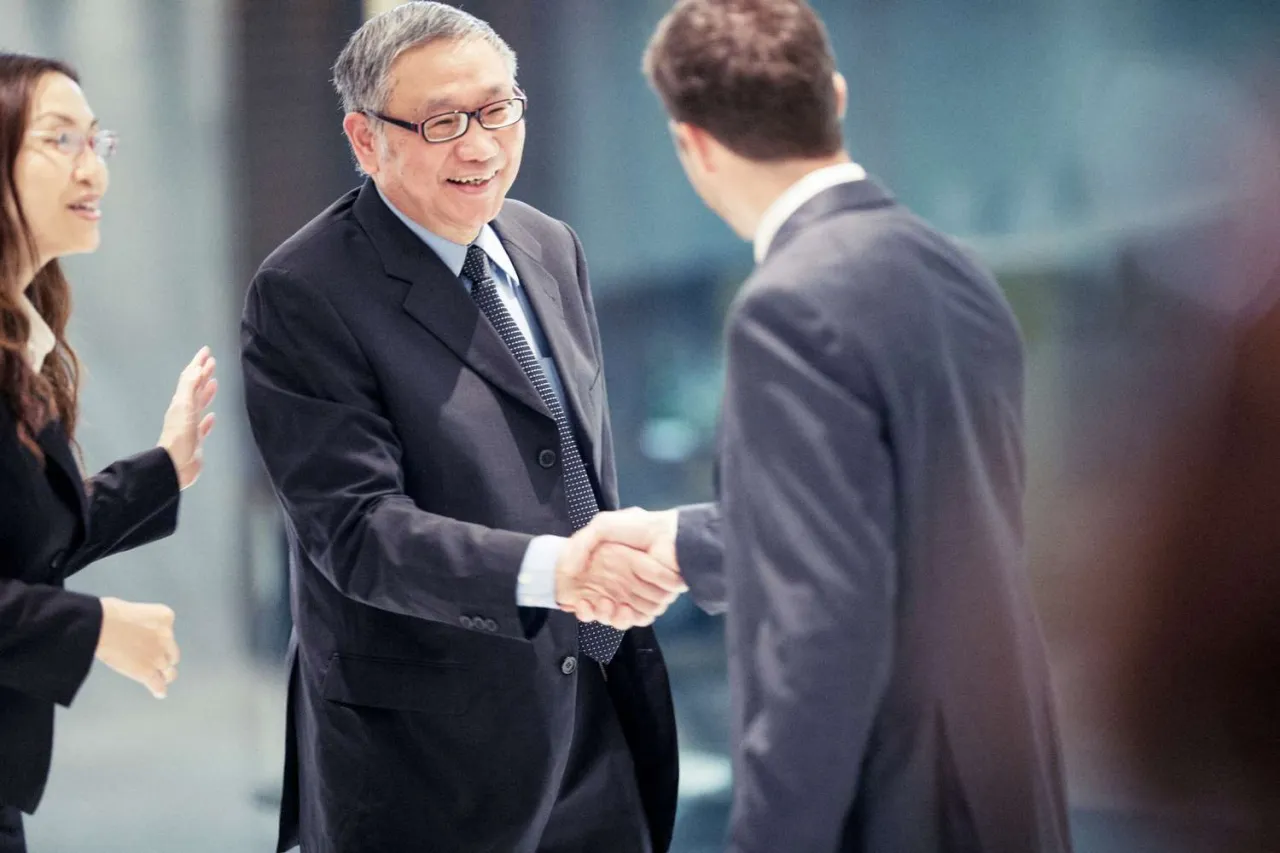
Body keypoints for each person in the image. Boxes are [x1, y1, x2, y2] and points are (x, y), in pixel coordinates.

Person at [559, 1, 1073, 851]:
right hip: (1004, 789)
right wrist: (683, 541)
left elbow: (819, 633)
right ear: (832, 94)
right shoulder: (957, 271)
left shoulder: (788, 309)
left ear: (691, 143)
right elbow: (899, 528)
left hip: (892, 807)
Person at [239, 4, 682, 852]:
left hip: (596, 709)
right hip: (431, 754)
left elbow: (568, 460)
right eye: (442, 121)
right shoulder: (305, 290)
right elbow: (359, 533)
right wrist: (558, 571)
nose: (479, 145)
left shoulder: (549, 244)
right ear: (366, 141)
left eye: (497, 108)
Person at [0, 53, 217, 853]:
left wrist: (166, 465)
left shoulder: (25, 338)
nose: (93, 168)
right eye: (60, 139)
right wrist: (96, 627)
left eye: (99, 141)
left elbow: (27, 537)